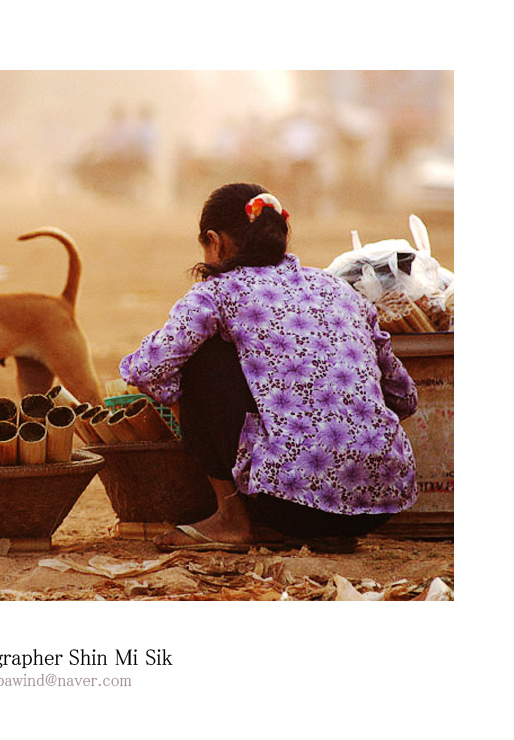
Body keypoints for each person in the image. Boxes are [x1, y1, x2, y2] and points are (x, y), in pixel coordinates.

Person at [120, 183, 418, 552]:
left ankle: (231, 518)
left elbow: (149, 369)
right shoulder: (338, 288)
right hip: (383, 500)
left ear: (215, 242)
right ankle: (329, 520)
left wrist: (175, 394)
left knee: (197, 356)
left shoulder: (217, 292)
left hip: (286, 501)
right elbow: (404, 397)